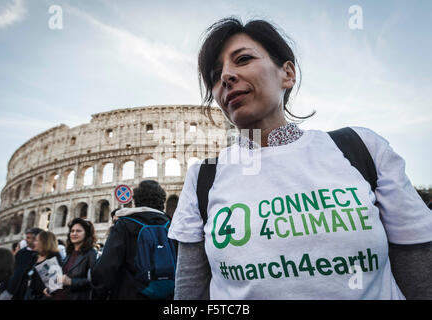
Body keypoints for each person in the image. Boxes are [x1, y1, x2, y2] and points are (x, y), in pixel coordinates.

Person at [167, 17, 432, 300]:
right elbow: (188, 296)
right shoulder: (203, 178)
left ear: (288, 74)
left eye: (243, 59)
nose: (225, 77)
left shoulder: (361, 147)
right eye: (215, 74)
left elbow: (420, 278)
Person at [91, 180, 177, 300]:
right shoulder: (171, 225)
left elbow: (107, 267)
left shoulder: (125, 224)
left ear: (136, 200)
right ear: (162, 201)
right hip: (168, 294)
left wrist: (99, 295)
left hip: (130, 293)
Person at [52, 218, 98, 300]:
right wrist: (50, 288)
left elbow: (95, 281)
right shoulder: (70, 252)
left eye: (78, 231)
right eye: (72, 231)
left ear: (86, 234)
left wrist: (71, 282)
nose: (74, 233)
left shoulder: (91, 253)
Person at [0, 227, 43, 300]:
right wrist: (3, 290)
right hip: (11, 292)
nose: (26, 240)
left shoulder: (41, 255)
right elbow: (10, 270)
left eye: (29, 238)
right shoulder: (21, 252)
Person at [24, 231, 63, 300]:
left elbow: (58, 282)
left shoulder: (53, 258)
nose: (34, 243)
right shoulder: (34, 256)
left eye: (36, 240)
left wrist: (48, 291)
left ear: (44, 242)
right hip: (30, 295)